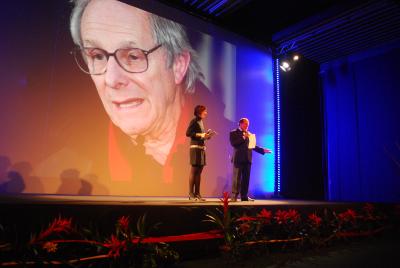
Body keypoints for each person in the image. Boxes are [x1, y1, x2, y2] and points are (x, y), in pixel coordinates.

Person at [68, 0, 232, 196]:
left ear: (178, 64)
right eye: (97, 56)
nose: (111, 79)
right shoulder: (68, 167)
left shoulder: (229, 148)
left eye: (133, 56)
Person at [230, 118, 272, 201]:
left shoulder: (249, 134)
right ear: (240, 124)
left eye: (248, 124)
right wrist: (243, 137)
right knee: (237, 178)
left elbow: (253, 146)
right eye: (245, 124)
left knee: (246, 179)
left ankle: (244, 196)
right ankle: (234, 196)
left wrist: (262, 150)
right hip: (238, 159)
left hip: (247, 159)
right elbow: (234, 143)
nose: (247, 126)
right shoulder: (234, 132)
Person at [185, 105, 214, 201]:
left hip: (201, 148)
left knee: (199, 172)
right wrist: (201, 134)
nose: (206, 113)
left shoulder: (201, 121)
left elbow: (200, 135)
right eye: (204, 111)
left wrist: (206, 136)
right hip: (195, 148)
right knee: (194, 171)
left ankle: (197, 193)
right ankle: (191, 194)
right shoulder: (194, 121)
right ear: (199, 112)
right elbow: (188, 133)